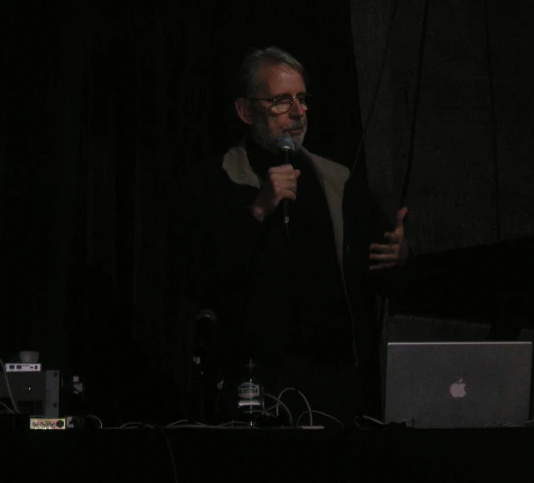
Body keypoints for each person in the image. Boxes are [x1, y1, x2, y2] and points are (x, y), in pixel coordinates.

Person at [174, 46, 409, 426]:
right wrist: (259, 210)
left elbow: (381, 281)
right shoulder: (212, 183)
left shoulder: (339, 182)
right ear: (246, 111)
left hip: (332, 385)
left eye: (301, 99)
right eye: (281, 101)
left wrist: (398, 257)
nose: (298, 112)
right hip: (253, 383)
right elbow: (196, 276)